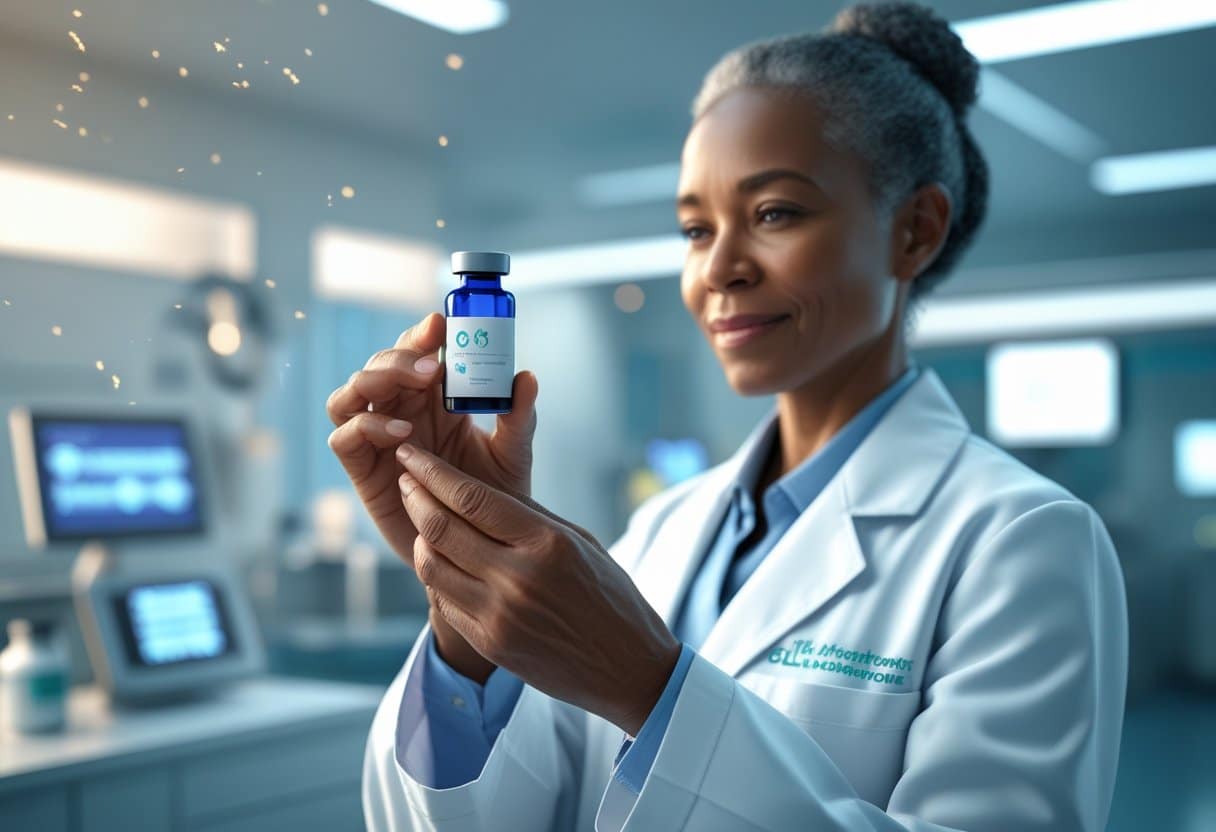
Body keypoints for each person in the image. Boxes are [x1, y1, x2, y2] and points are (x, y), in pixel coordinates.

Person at [328, 3, 1128, 829]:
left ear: (915, 231)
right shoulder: (668, 528)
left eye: (775, 213)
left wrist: (649, 686)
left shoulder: (1022, 540)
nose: (718, 269)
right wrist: (460, 606)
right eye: (693, 228)